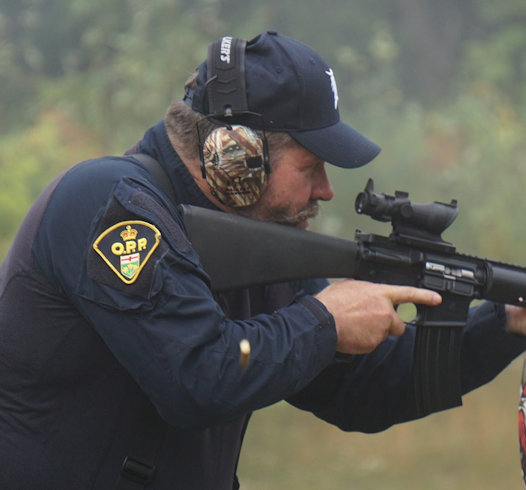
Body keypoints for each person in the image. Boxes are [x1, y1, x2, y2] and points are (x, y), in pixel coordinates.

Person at [0, 30, 525, 490]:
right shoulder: (109, 207)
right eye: (311, 165)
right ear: (237, 155)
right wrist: (325, 320)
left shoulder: (254, 241)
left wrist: (505, 324)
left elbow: (367, 388)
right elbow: (197, 376)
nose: (324, 190)